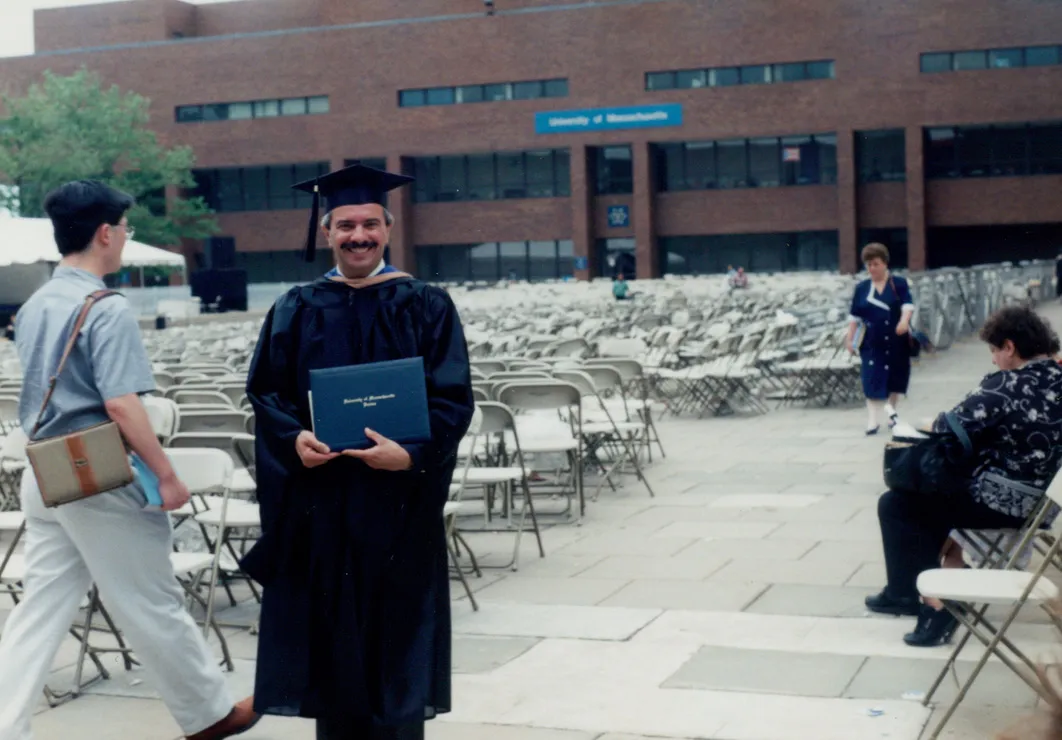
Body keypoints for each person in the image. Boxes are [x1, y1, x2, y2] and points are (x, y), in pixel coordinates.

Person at [0, 180, 257, 740]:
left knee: (41, 607)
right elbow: (120, 402)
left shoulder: (39, 301)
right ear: (105, 233)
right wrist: (166, 474)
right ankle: (207, 714)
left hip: (45, 468)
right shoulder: (104, 306)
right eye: (125, 229)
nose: (123, 238)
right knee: (150, 598)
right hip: (95, 470)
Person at [240, 163, 475, 740]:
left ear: (389, 228)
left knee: (396, 649)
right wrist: (294, 438)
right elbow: (266, 391)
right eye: (346, 225)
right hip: (323, 506)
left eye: (370, 223)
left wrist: (413, 456)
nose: (358, 236)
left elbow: (453, 398)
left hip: (397, 507)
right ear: (327, 232)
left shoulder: (427, 305)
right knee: (332, 649)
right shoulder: (296, 307)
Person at [866, 305, 1062, 647]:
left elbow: (948, 426)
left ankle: (932, 602)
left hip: (1001, 504)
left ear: (1010, 347)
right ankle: (920, 584)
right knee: (931, 498)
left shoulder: (1007, 383)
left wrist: (922, 423)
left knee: (898, 503)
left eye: (994, 351)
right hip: (1042, 506)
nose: (993, 360)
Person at [846, 243, 915, 435]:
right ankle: (873, 420)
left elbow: (908, 305)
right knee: (871, 377)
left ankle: (892, 413)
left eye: (875, 264)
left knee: (895, 378)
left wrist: (904, 322)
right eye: (868, 265)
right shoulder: (862, 288)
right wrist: (850, 340)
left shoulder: (898, 283)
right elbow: (854, 317)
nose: (872, 269)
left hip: (895, 339)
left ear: (885, 263)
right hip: (871, 341)